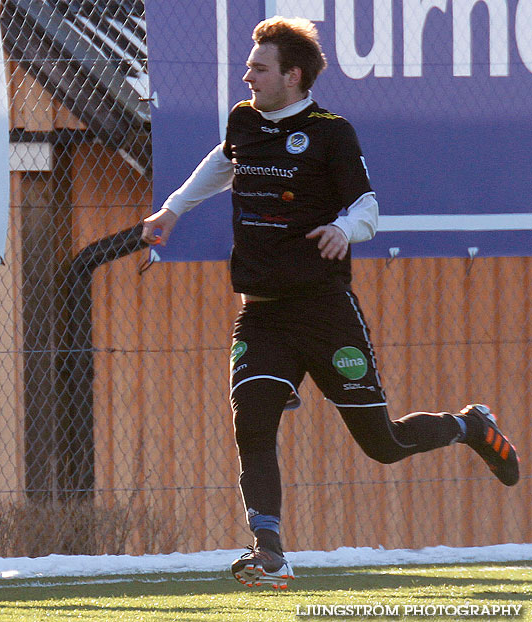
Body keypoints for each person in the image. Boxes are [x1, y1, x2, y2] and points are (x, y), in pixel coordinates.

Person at [140, 17, 519, 589]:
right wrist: (172, 209)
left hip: (323, 312)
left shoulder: (331, 133)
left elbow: (367, 206)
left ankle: (468, 426)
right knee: (253, 421)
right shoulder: (245, 121)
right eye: (249, 66)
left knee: (383, 446)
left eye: (259, 68)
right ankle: (269, 551)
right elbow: (225, 160)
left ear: (292, 76)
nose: (247, 76)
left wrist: (345, 229)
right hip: (262, 312)